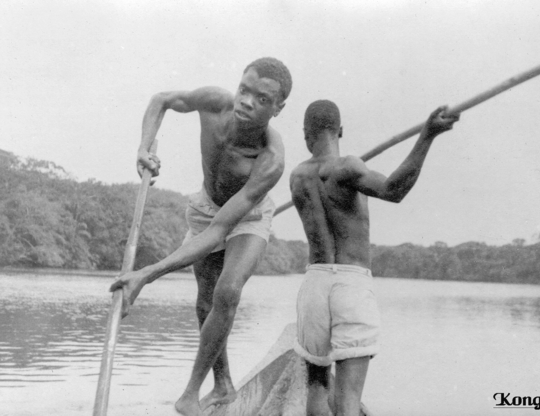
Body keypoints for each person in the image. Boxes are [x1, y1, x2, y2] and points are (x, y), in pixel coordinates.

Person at [109, 57, 292, 416]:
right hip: (207, 206)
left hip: (247, 217)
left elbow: (222, 231)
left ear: (278, 108)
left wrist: (145, 275)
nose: (247, 102)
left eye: (262, 99)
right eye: (245, 90)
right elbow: (160, 99)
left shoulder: (270, 159)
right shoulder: (213, 102)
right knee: (205, 303)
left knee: (228, 292)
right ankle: (222, 385)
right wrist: (144, 147)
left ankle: (189, 395)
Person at [290, 100, 459, 415]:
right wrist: (427, 135)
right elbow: (394, 191)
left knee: (316, 390)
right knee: (348, 402)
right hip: (350, 285)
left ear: (305, 134)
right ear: (340, 130)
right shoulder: (349, 167)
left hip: (313, 285)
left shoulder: (297, 176)